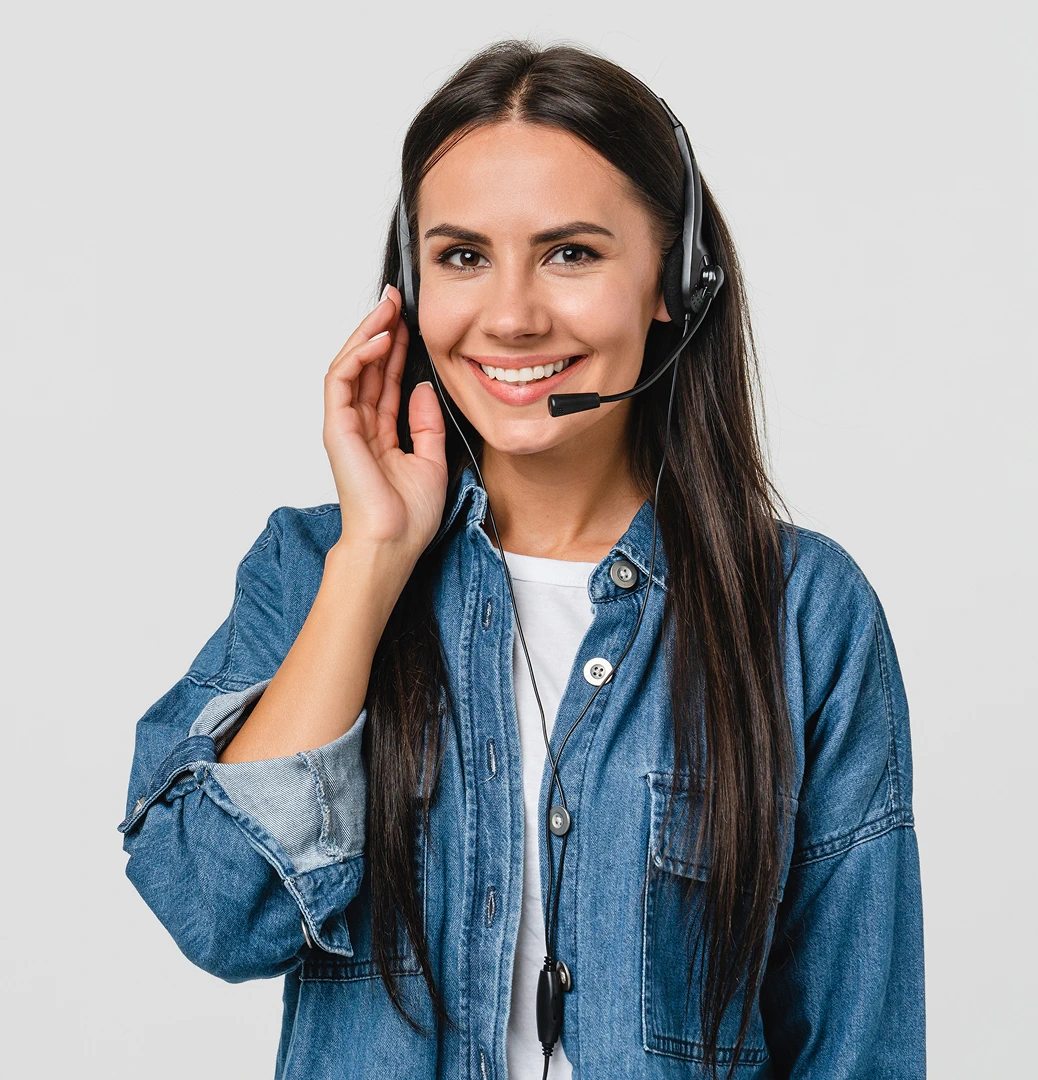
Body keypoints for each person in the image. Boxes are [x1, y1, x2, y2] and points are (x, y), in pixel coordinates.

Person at [117, 39, 925, 1080]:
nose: (509, 315)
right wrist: (374, 556)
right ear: (409, 289)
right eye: (462, 256)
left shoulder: (803, 613)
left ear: (674, 282)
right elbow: (219, 909)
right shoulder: (313, 568)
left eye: (571, 253)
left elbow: (857, 1045)